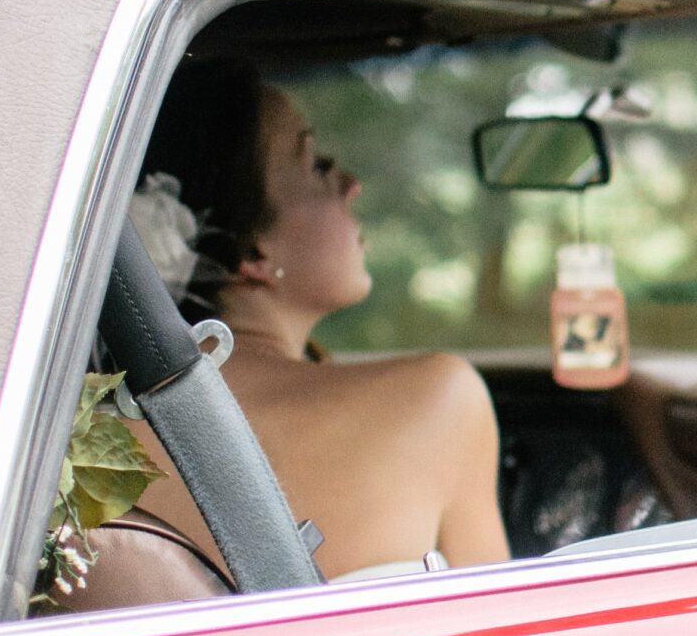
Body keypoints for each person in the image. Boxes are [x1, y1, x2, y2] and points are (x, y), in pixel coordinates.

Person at [122, 56, 510, 578]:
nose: (352, 184)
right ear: (252, 253)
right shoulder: (440, 397)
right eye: (318, 165)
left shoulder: (87, 428)